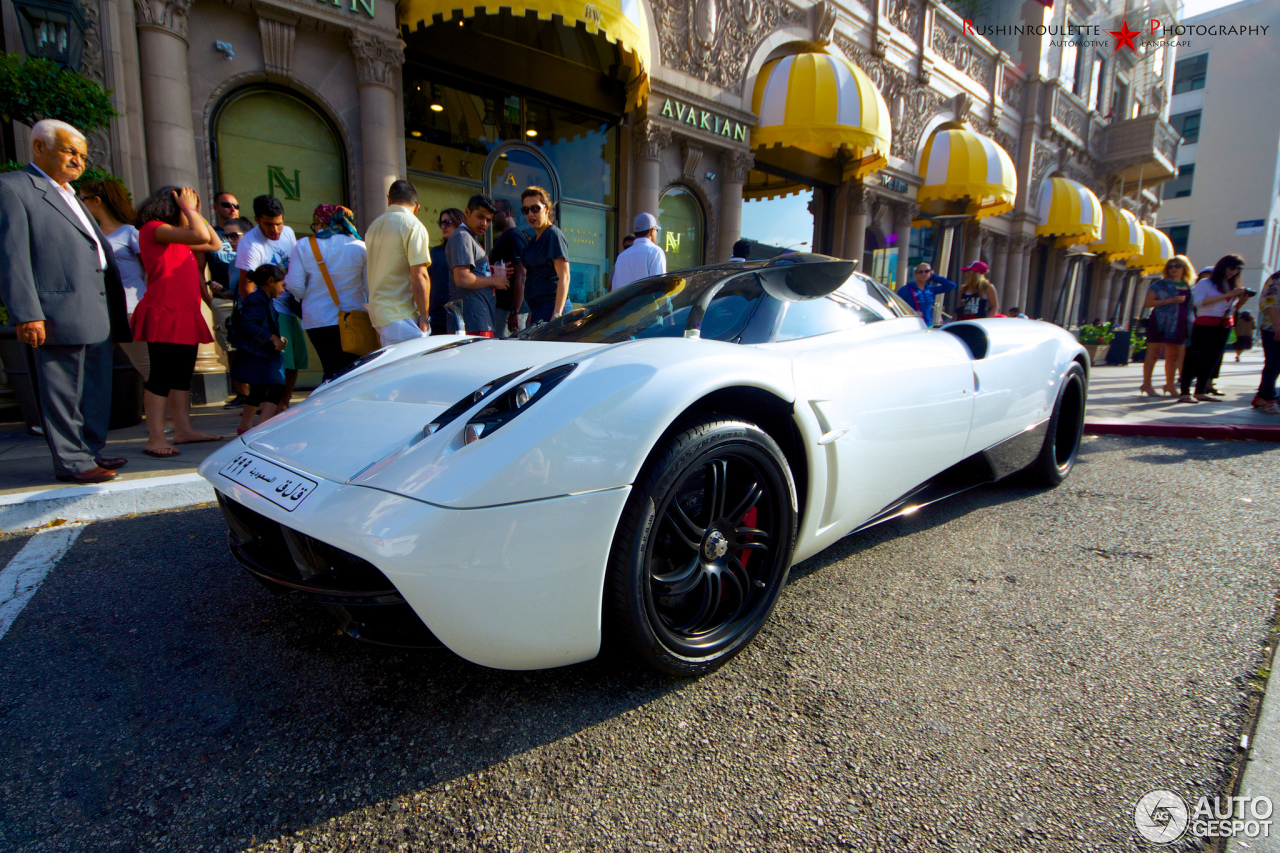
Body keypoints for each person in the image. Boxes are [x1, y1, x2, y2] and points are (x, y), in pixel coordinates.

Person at [0, 119, 132, 483]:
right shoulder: (13, 188)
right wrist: (26, 313)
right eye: (70, 151)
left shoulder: (72, 195)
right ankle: (72, 461)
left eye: (83, 156)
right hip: (55, 310)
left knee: (93, 388)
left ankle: (89, 450)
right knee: (62, 390)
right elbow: (12, 256)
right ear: (39, 148)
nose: (79, 161)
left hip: (96, 307)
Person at [132, 185, 225, 457]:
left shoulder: (177, 238)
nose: (193, 212)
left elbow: (214, 242)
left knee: (182, 377)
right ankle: (156, 438)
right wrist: (188, 209)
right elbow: (199, 234)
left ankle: (183, 430)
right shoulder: (153, 228)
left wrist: (193, 211)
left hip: (184, 312)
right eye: (188, 207)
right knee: (160, 376)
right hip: (164, 311)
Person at [235, 195, 305, 408]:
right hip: (269, 309)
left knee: (294, 360)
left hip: (290, 305)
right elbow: (246, 286)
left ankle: (283, 403)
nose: (275, 229)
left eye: (279, 223)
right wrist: (259, 318)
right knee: (278, 363)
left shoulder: (289, 233)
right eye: (269, 224)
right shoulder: (250, 244)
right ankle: (273, 407)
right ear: (257, 219)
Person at [284, 205, 367, 381]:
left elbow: (294, 285)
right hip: (354, 318)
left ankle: (326, 405)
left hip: (317, 319)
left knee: (330, 371)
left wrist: (308, 297)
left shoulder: (304, 245)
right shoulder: (360, 247)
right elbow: (369, 286)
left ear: (320, 223)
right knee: (352, 372)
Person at [79, 177, 150, 382]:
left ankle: (173, 413)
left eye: (82, 199)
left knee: (147, 367)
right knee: (93, 368)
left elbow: (149, 269)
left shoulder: (130, 232)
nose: (80, 203)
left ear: (97, 201)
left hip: (131, 309)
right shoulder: (94, 234)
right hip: (103, 310)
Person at [366, 179, 432, 347]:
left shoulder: (373, 227)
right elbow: (420, 275)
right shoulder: (413, 225)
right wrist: (425, 319)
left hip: (379, 316)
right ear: (417, 207)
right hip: (402, 316)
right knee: (414, 371)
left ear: (389, 200)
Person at [1179, 254, 1250, 403]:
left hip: (1224, 324)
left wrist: (1240, 297)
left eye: (1238, 269)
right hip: (1205, 322)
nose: (1233, 272)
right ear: (1222, 266)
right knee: (1195, 356)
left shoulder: (1231, 285)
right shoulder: (1205, 283)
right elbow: (1199, 302)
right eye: (1231, 268)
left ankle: (1200, 390)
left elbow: (1230, 307)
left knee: (1213, 358)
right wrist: (1229, 294)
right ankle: (1185, 392)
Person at [234, 264, 289, 434]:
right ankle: (262, 429)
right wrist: (271, 338)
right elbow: (249, 324)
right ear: (271, 281)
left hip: (260, 352)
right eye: (282, 285)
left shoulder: (261, 299)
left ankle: (245, 427)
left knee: (258, 389)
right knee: (276, 387)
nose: (283, 290)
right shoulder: (258, 300)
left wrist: (277, 338)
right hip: (259, 353)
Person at [446, 193, 509, 337]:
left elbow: (469, 273)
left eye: (488, 220)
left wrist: (486, 271)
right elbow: (462, 278)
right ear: (467, 212)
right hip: (472, 321)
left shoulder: (468, 237)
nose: (484, 224)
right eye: (480, 217)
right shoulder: (463, 236)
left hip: (478, 319)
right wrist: (494, 280)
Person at [208, 216, 251, 408]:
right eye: (226, 237)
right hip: (240, 314)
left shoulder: (256, 253)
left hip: (257, 316)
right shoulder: (234, 261)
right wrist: (221, 291)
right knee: (236, 352)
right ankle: (247, 397)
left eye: (234, 236)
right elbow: (235, 293)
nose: (230, 241)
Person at [1138, 255, 1194, 397]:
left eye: (1177, 266)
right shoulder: (1160, 285)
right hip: (1160, 322)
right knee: (1154, 353)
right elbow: (1148, 303)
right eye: (1170, 266)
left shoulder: (1190, 285)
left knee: (1174, 356)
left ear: (1184, 268)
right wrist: (1171, 300)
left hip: (1180, 323)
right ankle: (1146, 384)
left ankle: (1170, 385)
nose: (1173, 269)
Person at [519, 186, 571, 322]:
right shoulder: (533, 241)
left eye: (535, 208)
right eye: (526, 210)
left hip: (553, 307)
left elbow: (564, 277)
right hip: (538, 309)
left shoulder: (553, 235)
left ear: (547, 208)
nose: (530, 214)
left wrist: (557, 315)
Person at [489, 199, 528, 337]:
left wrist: (514, 312)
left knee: (507, 353)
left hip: (510, 311)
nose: (491, 216)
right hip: (503, 308)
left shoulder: (514, 237)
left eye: (495, 212)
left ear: (507, 213)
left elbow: (522, 274)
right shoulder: (504, 238)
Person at [428, 208, 462, 335]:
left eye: (447, 222)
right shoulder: (435, 252)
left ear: (457, 222)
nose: (443, 226)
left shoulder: (467, 250)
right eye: (441, 223)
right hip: (436, 313)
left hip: (459, 314)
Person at [612, 212, 666, 290]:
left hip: (624, 302)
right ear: (652, 231)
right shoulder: (655, 252)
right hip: (646, 302)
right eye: (656, 230)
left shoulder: (621, 256)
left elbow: (615, 288)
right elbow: (659, 286)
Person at [1254, 271, 1280, 414]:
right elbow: (1271, 301)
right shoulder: (1277, 278)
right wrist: (1277, 324)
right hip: (1273, 328)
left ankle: (1262, 396)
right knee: (1274, 363)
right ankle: (1268, 398)